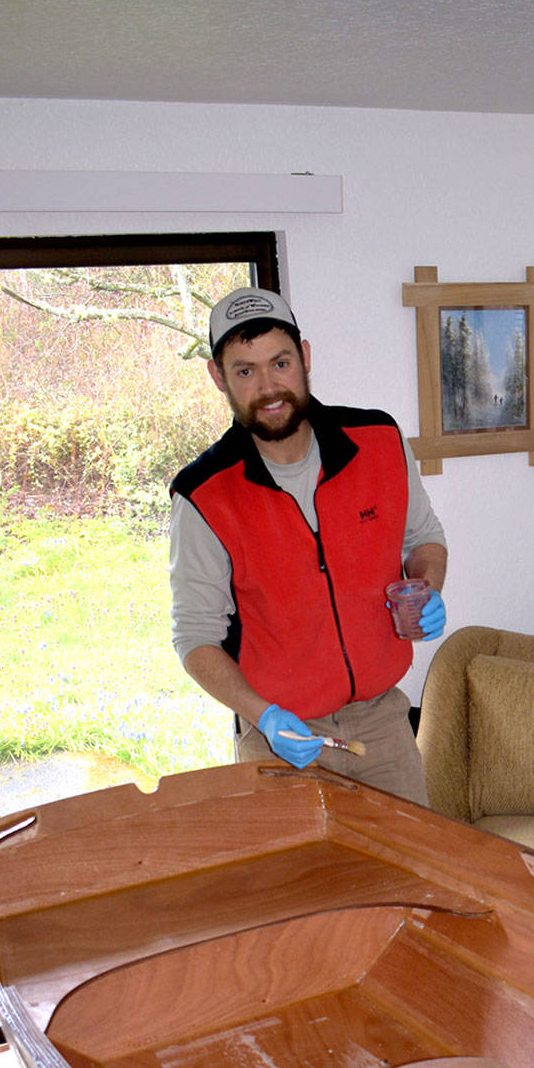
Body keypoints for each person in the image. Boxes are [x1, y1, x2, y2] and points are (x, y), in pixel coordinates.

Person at [169, 286, 447, 803]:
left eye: (280, 362)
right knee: (305, 887)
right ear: (218, 377)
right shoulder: (203, 495)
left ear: (305, 357)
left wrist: (426, 586)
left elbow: (423, 538)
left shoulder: (379, 441)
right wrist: (264, 717)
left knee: (410, 881)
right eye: (245, 371)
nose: (269, 386)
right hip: (282, 741)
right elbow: (195, 638)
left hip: (383, 729)